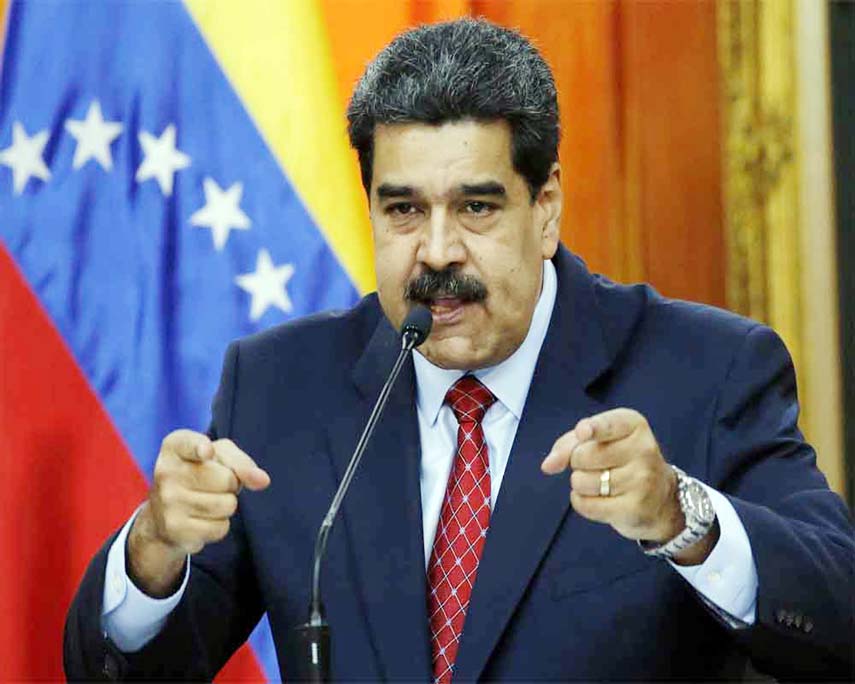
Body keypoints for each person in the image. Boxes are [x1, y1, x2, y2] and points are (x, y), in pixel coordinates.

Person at [64, 18, 853, 682]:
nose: (436, 252)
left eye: (475, 207)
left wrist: (681, 517)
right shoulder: (278, 389)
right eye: (403, 210)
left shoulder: (704, 371)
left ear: (545, 209)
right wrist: (152, 551)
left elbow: (839, 615)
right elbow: (133, 668)